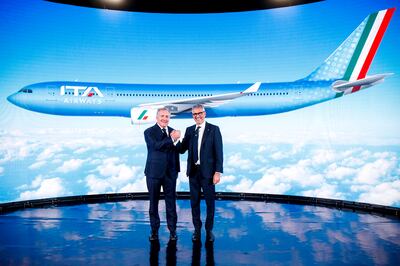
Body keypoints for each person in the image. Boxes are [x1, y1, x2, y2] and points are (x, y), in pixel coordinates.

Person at [178, 104, 223, 242]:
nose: (197, 116)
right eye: (194, 114)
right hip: (193, 172)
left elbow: (219, 152)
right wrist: (175, 139)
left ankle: (209, 230)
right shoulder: (189, 130)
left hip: (209, 173)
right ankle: (197, 230)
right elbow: (182, 149)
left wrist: (218, 172)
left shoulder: (214, 129)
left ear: (204, 114)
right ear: (192, 116)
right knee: (194, 202)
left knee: (210, 203)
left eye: (199, 113)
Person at [144, 107, 181, 242]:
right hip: (153, 173)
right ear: (157, 117)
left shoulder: (173, 131)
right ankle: (154, 231)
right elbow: (155, 146)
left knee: (171, 203)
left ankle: (172, 231)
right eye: (162, 116)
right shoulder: (148, 132)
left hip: (170, 173)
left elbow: (178, 151)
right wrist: (172, 139)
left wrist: (178, 141)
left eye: (167, 116)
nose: (165, 118)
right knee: (153, 203)